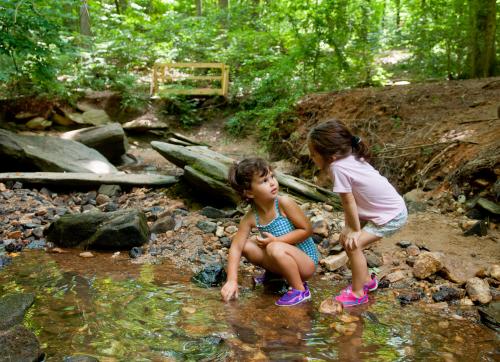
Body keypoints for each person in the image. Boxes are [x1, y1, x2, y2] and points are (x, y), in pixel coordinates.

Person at [308, 119, 407, 307]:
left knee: (353, 245)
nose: (312, 158)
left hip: (391, 215)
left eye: (314, 154)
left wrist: (353, 229)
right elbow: (351, 201)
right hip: (387, 209)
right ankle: (368, 281)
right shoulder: (350, 156)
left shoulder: (338, 168)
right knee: (349, 241)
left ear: (332, 154)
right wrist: (349, 227)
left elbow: (348, 200)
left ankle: (358, 292)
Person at [220, 157, 319, 306]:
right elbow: (236, 247)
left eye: (272, 176)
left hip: (306, 262)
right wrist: (231, 280)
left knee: (273, 247)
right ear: (250, 193)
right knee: (246, 245)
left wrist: (277, 241)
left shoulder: (283, 203)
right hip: (282, 257)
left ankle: (300, 290)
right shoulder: (251, 217)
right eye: (264, 181)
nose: (273, 182)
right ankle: (275, 277)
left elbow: (307, 230)